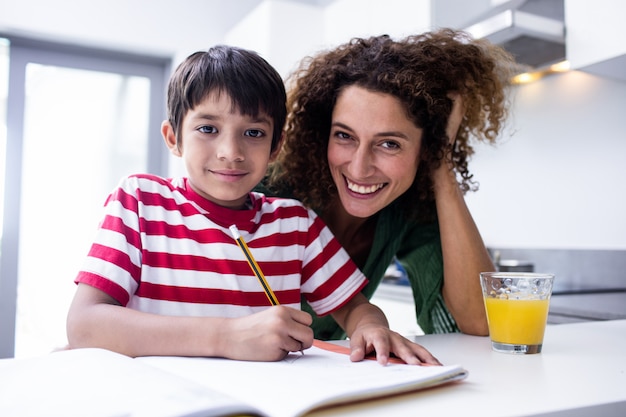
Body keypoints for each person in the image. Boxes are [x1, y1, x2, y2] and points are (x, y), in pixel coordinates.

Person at [66, 45, 440, 365]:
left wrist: (371, 327)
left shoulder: (295, 224)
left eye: (254, 133)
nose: (231, 152)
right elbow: (85, 324)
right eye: (208, 129)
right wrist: (225, 337)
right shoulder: (139, 202)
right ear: (173, 137)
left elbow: (355, 308)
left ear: (275, 147)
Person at [259, 29, 515, 340]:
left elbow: (481, 321)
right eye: (344, 135)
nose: (359, 167)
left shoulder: (407, 209)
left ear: (424, 149)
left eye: (389, 144)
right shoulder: (268, 188)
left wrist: (441, 158)